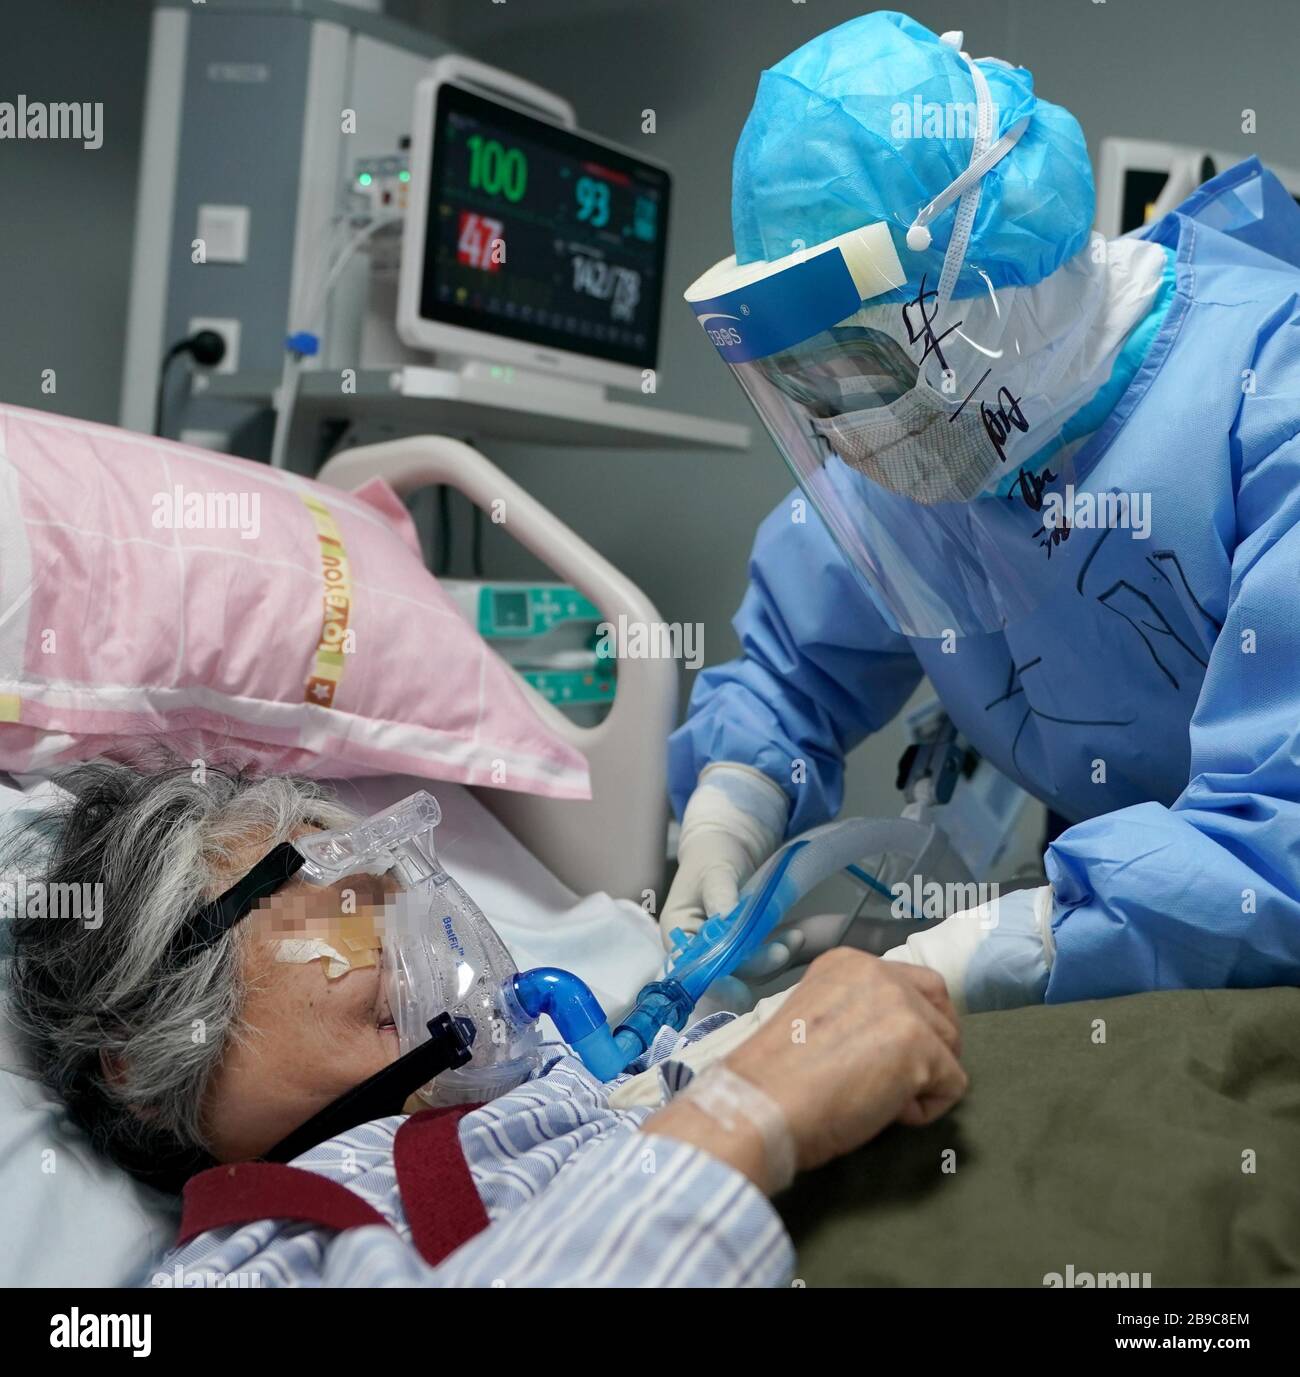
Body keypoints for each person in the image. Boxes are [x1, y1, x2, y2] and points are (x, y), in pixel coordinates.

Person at [666, 11, 1300, 1012]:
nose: (851, 436)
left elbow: (1282, 828)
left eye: (863, 369)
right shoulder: (921, 446)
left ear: (993, 289)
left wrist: (955, 962)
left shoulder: (1267, 393)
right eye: (810, 386)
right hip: (1116, 895)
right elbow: (795, 672)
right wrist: (729, 808)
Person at [5, 762, 966, 1287]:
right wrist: (745, 1124)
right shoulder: (256, 1261)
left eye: (399, 888)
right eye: (339, 899)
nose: (414, 930)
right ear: (142, 1053)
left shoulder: (555, 1066)